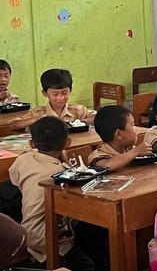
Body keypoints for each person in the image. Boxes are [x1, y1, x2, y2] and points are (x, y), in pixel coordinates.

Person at [9, 116, 95, 270]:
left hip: (25, 229)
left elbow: (14, 179)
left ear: (31, 143)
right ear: (67, 143)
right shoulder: (61, 173)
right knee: (87, 265)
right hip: (50, 237)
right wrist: (65, 164)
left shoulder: (24, 159)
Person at [10, 69, 96, 131]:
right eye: (55, 94)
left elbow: (97, 117)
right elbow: (14, 125)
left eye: (64, 93)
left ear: (71, 90)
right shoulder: (38, 112)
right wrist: (36, 120)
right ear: (45, 93)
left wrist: (78, 123)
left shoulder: (77, 110)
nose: (60, 97)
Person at [89, 105, 152, 169]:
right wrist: (136, 151)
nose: (136, 129)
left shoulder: (128, 148)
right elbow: (106, 166)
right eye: (132, 125)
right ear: (119, 134)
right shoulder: (98, 154)